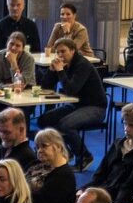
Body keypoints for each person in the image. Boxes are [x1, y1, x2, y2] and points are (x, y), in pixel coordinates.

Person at [37, 40, 106, 169]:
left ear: (73, 51)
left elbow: (71, 90)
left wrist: (60, 71)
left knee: (66, 125)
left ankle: (84, 155)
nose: (60, 55)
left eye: (63, 51)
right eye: (57, 52)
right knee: (44, 120)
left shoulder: (82, 65)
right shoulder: (64, 64)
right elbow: (45, 87)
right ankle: (66, 152)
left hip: (95, 107)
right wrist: (52, 71)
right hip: (77, 104)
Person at [29, 129, 79, 203]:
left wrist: (17, 193)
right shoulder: (37, 165)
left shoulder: (64, 176)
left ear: (59, 147)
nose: (39, 150)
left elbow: (38, 200)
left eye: (44, 146)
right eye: (37, 147)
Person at [0, 106, 39, 176]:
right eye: (0, 131)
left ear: (21, 130)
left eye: (6, 132)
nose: (2, 136)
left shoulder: (29, 159)